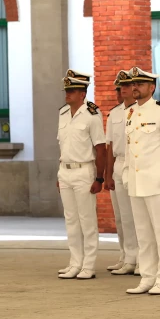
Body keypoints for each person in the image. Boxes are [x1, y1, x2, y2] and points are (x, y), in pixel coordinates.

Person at [123, 66, 160, 294]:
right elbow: (129, 149)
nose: (135, 87)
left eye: (140, 84)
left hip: (157, 182)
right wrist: (127, 174)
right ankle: (147, 277)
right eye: (133, 83)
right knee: (143, 234)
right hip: (137, 182)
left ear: (152, 87)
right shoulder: (130, 113)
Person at [56, 72, 106, 280]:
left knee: (87, 220)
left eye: (72, 90)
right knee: (71, 220)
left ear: (82, 92)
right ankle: (75, 262)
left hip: (84, 171)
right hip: (64, 170)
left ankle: (89, 265)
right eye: (66, 90)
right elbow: (63, 146)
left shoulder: (92, 114)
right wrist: (59, 175)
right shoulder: (62, 113)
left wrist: (100, 178)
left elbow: (101, 148)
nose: (67, 94)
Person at [105, 70, 139, 275]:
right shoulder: (114, 113)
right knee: (121, 215)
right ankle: (126, 255)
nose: (123, 90)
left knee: (134, 215)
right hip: (119, 163)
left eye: (126, 86)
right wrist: (107, 175)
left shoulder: (140, 111)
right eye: (121, 87)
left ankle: (137, 258)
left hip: (135, 164)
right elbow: (109, 146)